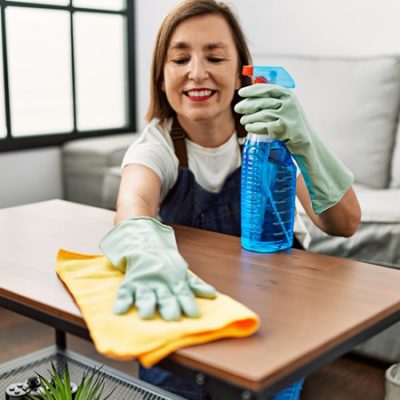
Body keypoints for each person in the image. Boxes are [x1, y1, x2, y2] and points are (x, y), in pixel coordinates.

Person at [99, 0, 362, 399]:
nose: (197, 72)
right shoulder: (157, 145)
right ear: (161, 74)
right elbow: (133, 205)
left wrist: (305, 141)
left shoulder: (273, 135)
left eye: (215, 56)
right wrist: (144, 254)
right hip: (192, 313)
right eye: (180, 58)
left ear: (241, 71)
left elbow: (344, 223)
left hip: (272, 315)